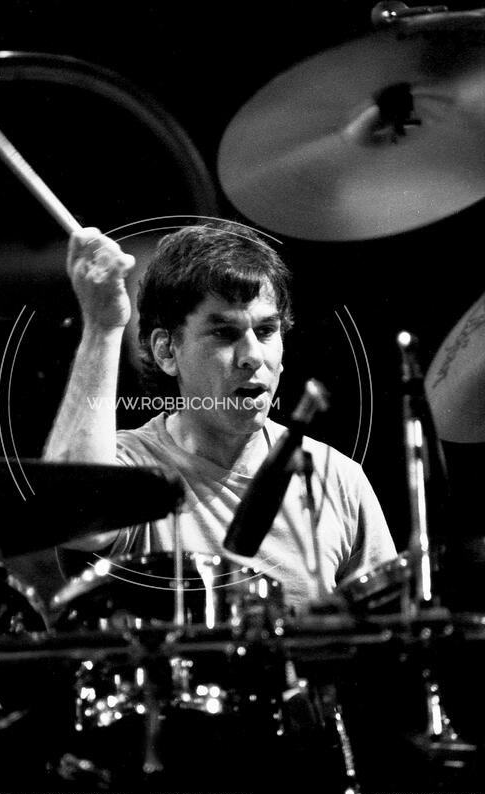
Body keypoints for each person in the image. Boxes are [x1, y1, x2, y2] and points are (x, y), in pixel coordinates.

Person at [44, 220, 396, 612]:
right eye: (225, 333)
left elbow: (391, 629)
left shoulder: (338, 479)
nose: (253, 356)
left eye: (266, 331)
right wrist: (103, 326)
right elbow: (71, 517)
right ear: (167, 351)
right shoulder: (131, 469)